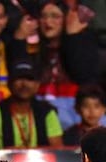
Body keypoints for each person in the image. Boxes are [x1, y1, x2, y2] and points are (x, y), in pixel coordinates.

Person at [8, 0, 100, 129]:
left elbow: (82, 75)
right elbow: (20, 74)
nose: (48, 22)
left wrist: (73, 38)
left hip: (74, 106)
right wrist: (19, 40)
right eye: (43, 16)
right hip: (38, 104)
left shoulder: (82, 40)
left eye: (55, 16)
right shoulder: (32, 44)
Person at [0, 59, 65, 151]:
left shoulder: (47, 112)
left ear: (37, 85)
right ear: (9, 84)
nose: (24, 84)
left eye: (30, 79)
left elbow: (57, 151)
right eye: (19, 78)